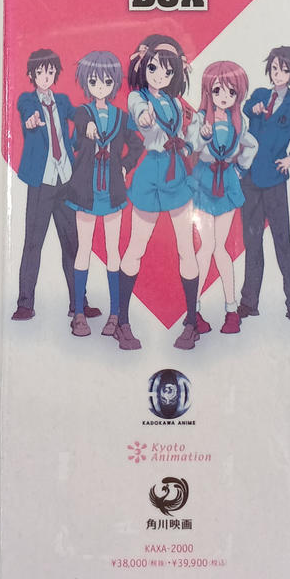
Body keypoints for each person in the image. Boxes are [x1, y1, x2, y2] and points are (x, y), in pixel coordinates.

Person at [116, 34, 201, 352]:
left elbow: (186, 135)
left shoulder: (177, 103)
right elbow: (138, 111)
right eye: (153, 68)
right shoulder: (137, 98)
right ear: (143, 66)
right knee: (136, 247)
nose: (160, 76)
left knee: (186, 248)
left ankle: (191, 322)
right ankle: (123, 322)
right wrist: (144, 118)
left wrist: (190, 143)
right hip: (151, 173)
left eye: (168, 71)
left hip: (176, 172)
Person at [11, 48, 100, 324]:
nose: (46, 77)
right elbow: (26, 112)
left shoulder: (61, 101)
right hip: (41, 183)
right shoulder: (27, 100)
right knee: (33, 243)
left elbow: (78, 114)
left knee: (72, 244)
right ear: (32, 74)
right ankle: (25, 304)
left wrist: (87, 123)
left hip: (65, 182)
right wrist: (31, 120)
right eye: (40, 72)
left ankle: (78, 304)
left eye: (50, 72)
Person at [238, 46, 290, 321]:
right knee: (252, 242)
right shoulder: (260, 95)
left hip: (275, 180)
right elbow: (247, 108)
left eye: (284, 70)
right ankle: (249, 302)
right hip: (250, 179)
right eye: (274, 68)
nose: (278, 74)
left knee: (282, 242)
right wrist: (255, 108)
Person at [62, 51, 142, 337]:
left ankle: (115, 314)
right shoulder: (82, 112)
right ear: (86, 82)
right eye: (94, 81)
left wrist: (125, 166)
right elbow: (79, 128)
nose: (100, 86)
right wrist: (88, 129)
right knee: (83, 249)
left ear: (114, 83)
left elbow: (137, 146)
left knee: (113, 251)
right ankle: (79, 313)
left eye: (107, 81)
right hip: (85, 191)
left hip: (112, 191)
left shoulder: (122, 117)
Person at [190, 61, 258, 335]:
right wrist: (203, 136)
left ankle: (231, 309)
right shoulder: (200, 119)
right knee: (206, 247)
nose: (224, 96)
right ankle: (193, 310)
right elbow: (191, 144)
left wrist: (240, 170)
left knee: (220, 248)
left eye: (231, 91)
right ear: (208, 91)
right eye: (218, 90)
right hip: (204, 180)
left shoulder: (239, 121)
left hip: (227, 179)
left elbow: (251, 145)